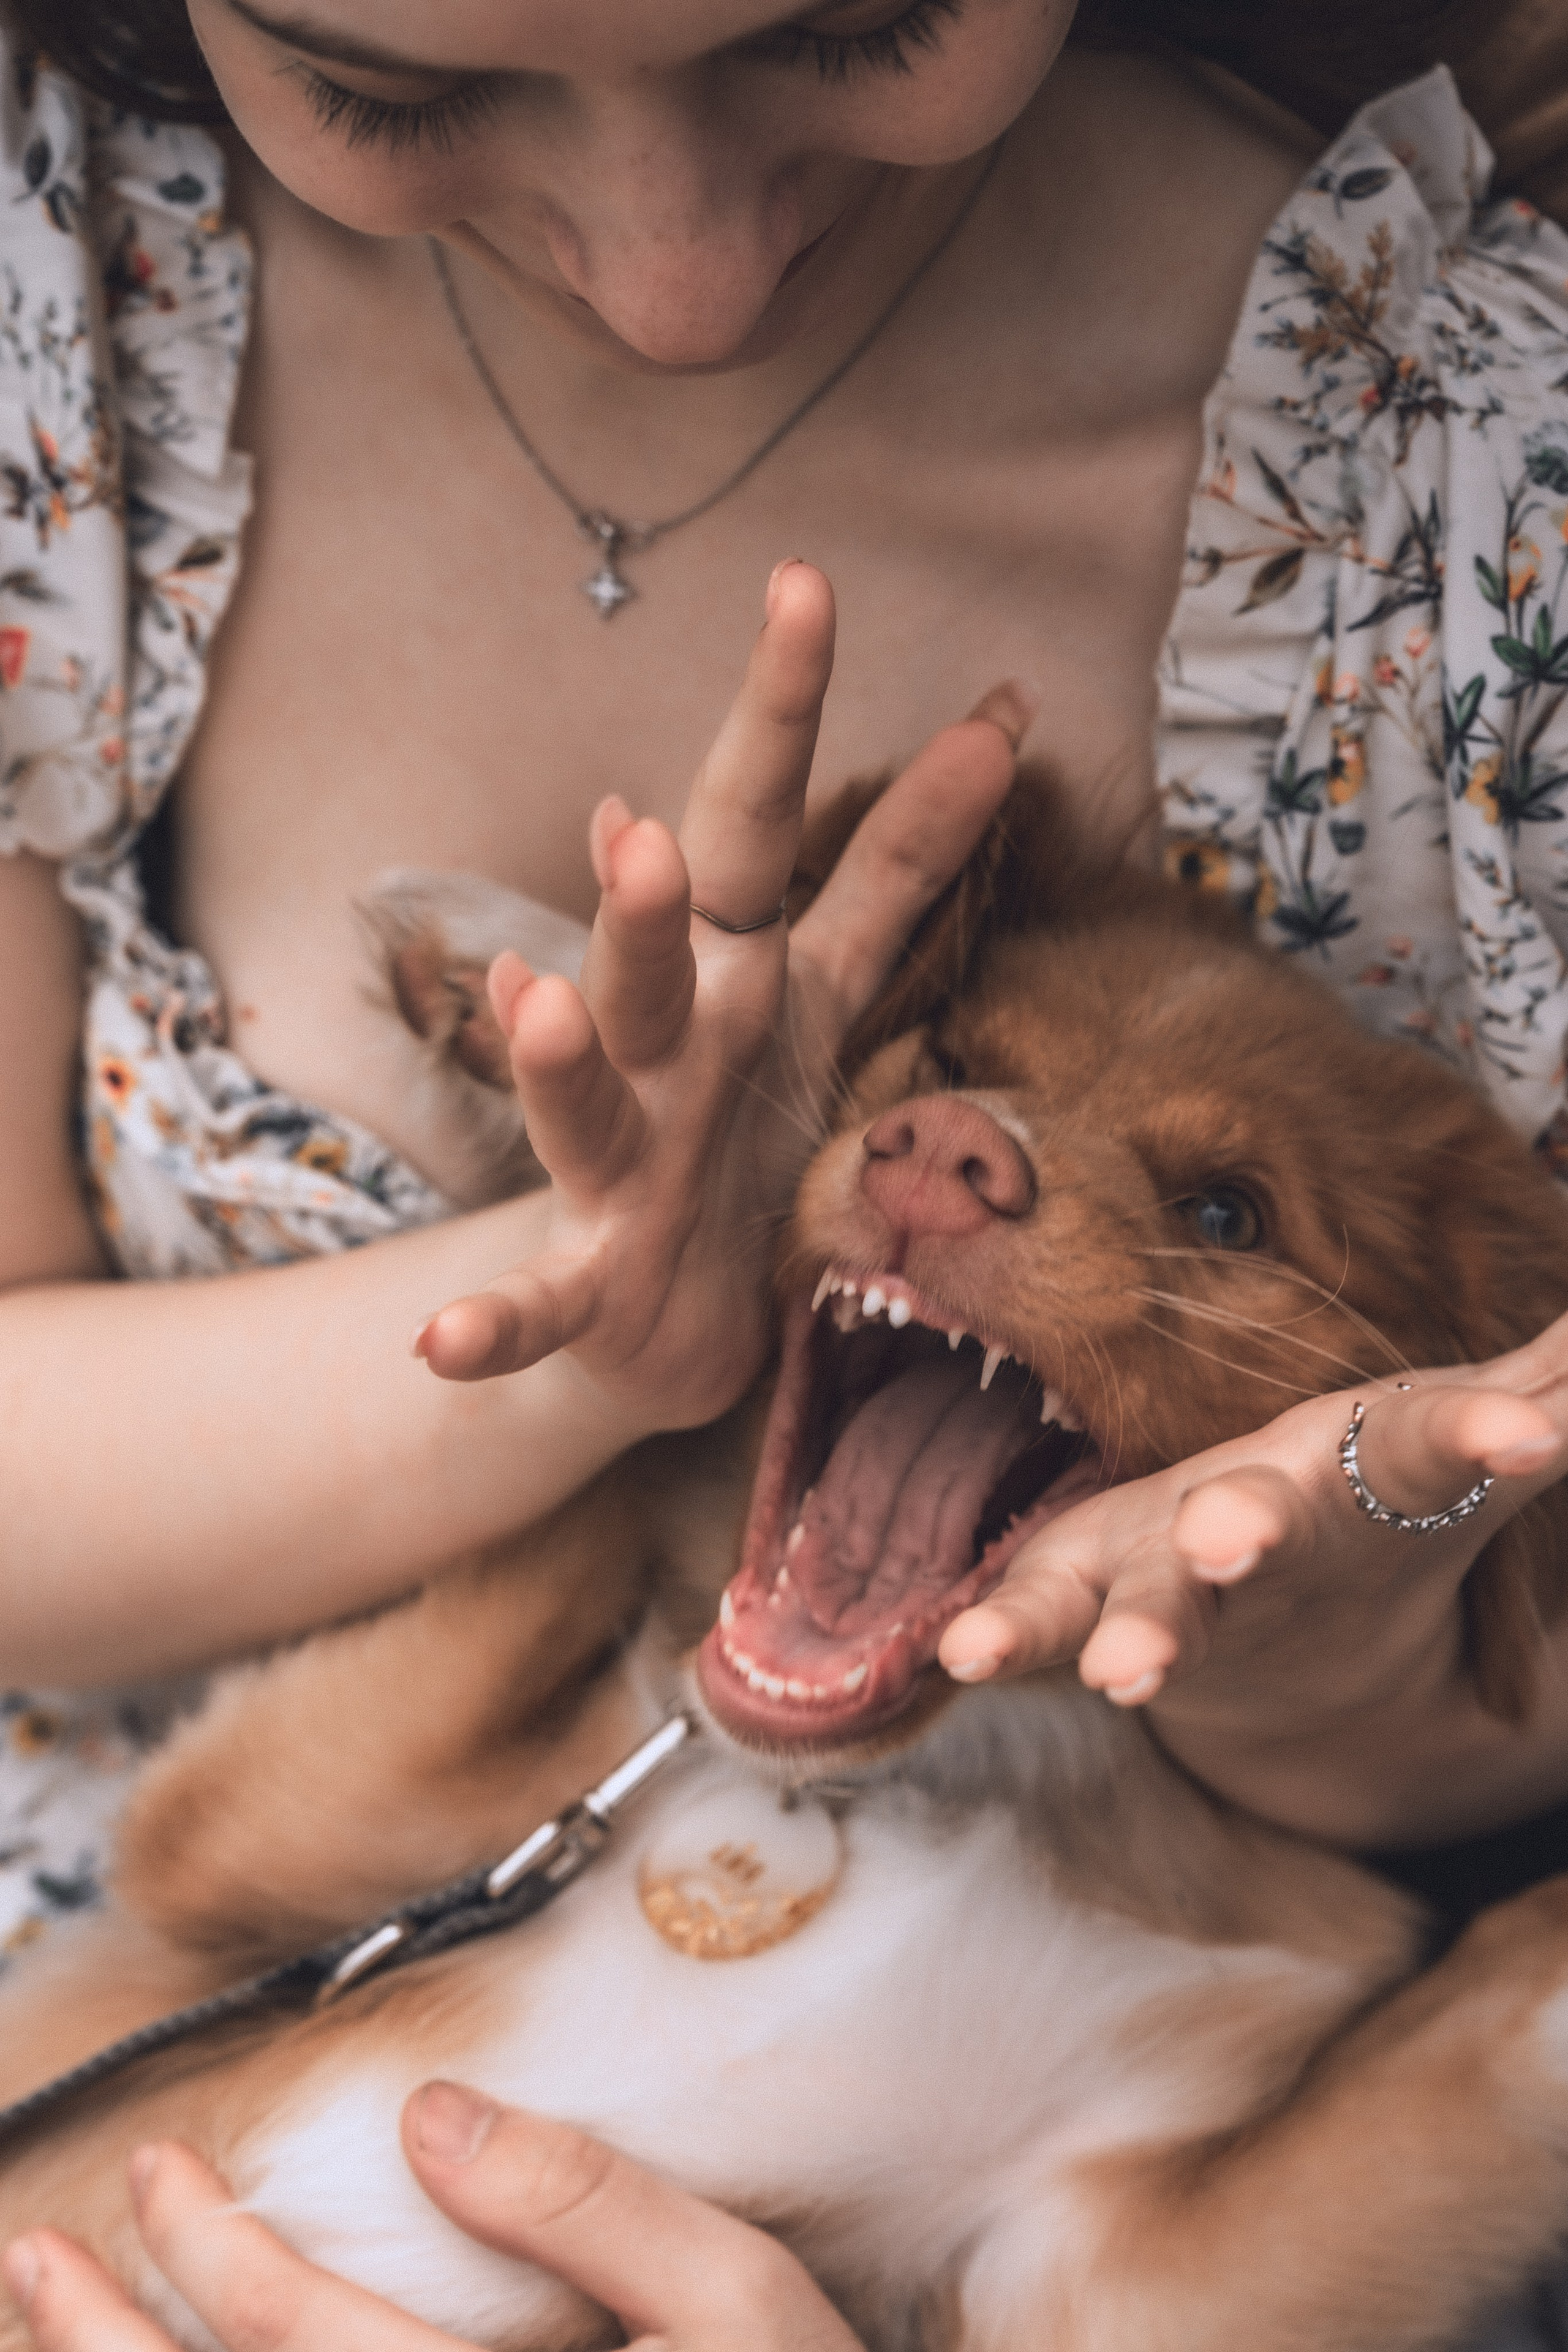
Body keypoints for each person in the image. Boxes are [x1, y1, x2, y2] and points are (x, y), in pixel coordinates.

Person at [8, 1, 1568, 2345]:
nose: (675, 281)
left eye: (856, 26)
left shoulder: (1487, 508)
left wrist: (1338, 1625)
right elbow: (207, 1853)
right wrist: (602, 1316)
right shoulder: (60, 303)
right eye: (389, 81)